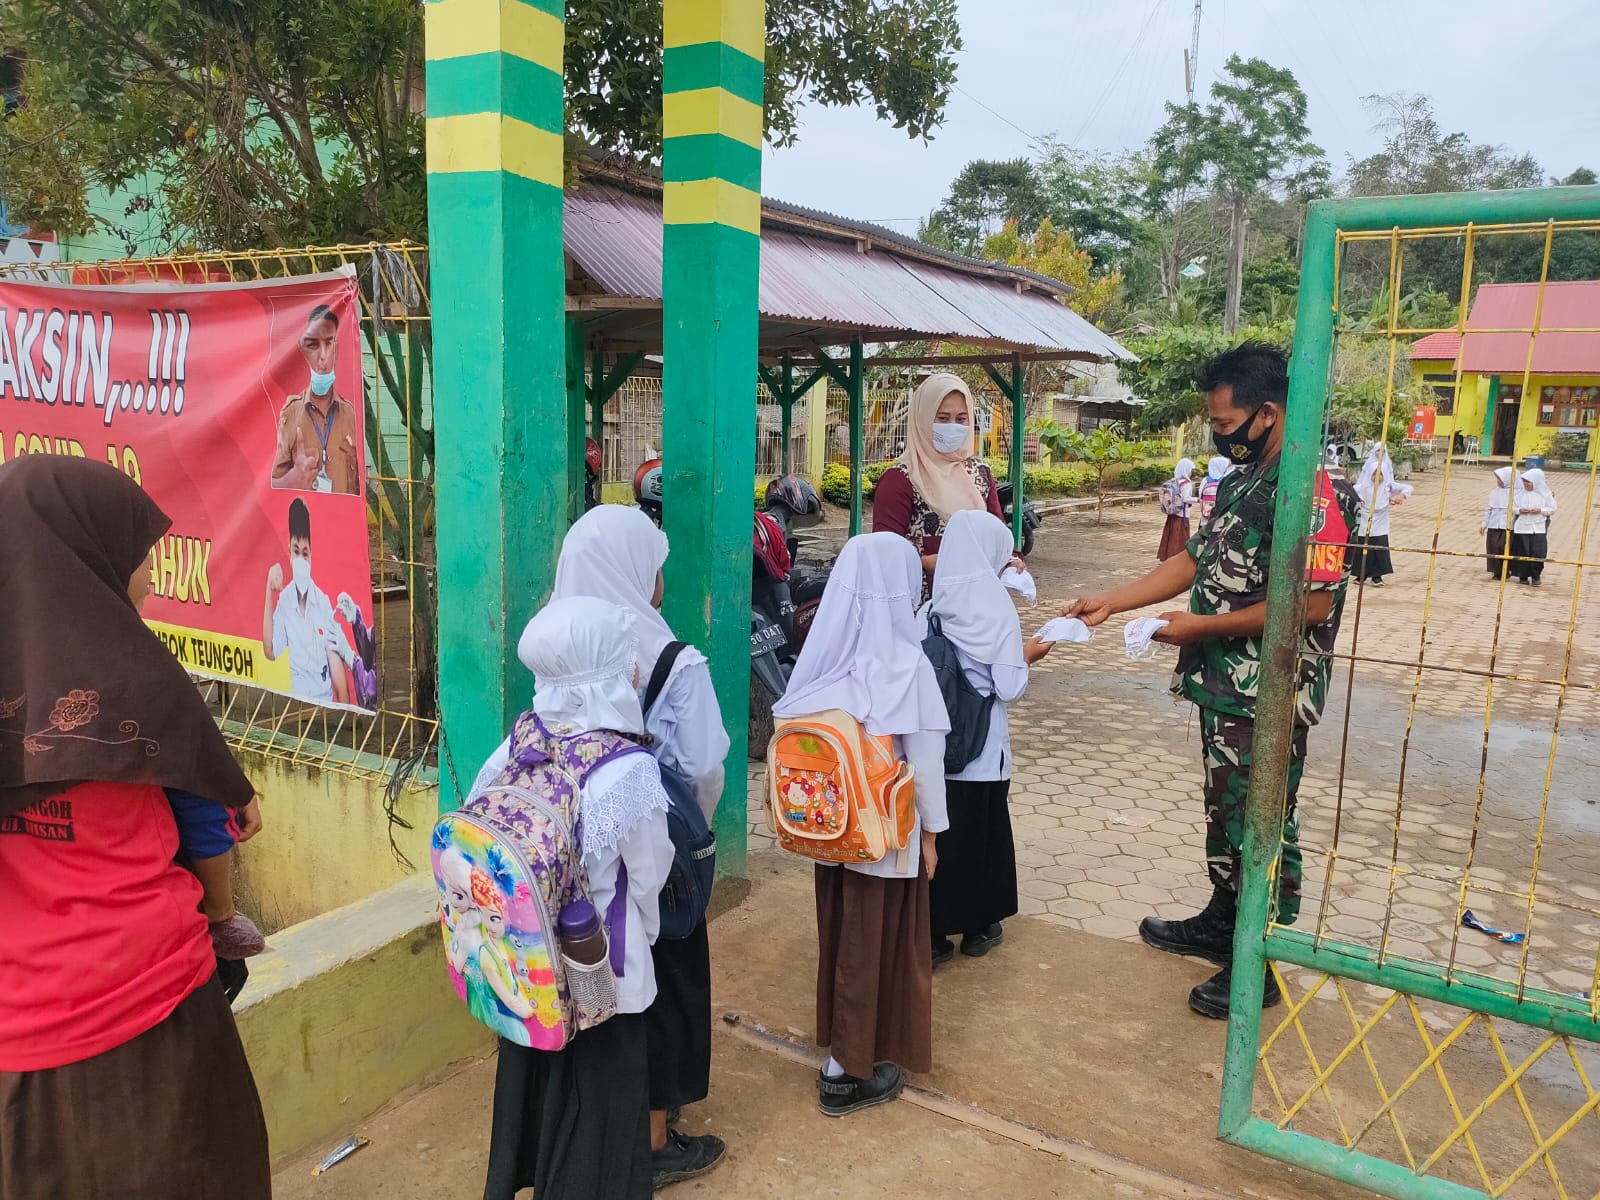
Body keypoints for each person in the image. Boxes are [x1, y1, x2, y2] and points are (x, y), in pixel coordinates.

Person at [1061, 342, 1359, 1020]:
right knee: (1226, 813)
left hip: (1273, 693)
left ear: (1268, 413)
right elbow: (1196, 559)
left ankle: (1262, 959)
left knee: (1261, 822)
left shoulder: (1310, 489)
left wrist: (1195, 630)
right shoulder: (1242, 482)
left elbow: (1312, 604)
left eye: (1226, 424)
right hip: (1226, 691)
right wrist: (1114, 599)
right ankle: (1223, 924)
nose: (1218, 435)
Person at [0, 455, 269, 1200]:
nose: (151, 568)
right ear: (88, 554)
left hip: (18, 1048)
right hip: (156, 1027)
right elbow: (211, 827)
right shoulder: (137, 686)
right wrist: (220, 917)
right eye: (140, 548)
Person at [547, 504, 730, 1188]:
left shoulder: (556, 647)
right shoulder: (676, 662)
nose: (661, 575)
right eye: (654, 562)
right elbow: (704, 768)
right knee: (662, 982)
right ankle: (654, 1138)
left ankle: (593, 1126)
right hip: (652, 854)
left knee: (592, 988)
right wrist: (690, 837)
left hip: (572, 866)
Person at [475, 598, 675, 1200]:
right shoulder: (626, 770)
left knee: (536, 1082)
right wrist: (649, 933)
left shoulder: (519, 743)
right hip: (603, 972)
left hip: (528, 965)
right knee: (602, 1109)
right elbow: (649, 876)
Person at [773, 533, 950, 1115]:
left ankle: (845, 1047)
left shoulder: (823, 666)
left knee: (844, 934)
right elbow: (925, 764)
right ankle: (847, 1070)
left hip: (831, 836)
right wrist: (931, 834)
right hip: (886, 840)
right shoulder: (906, 666)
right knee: (876, 944)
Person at [922, 510, 1055, 966]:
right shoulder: (997, 611)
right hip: (983, 753)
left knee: (939, 836)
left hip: (938, 749)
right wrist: (1033, 651)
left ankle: (933, 935)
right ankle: (980, 928)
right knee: (983, 839)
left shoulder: (932, 607)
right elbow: (1009, 687)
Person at [873, 372, 1008, 595]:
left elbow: (997, 533)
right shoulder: (900, 479)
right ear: (923, 419)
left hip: (975, 603)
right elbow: (884, 552)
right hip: (920, 608)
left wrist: (1012, 561)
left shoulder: (980, 473)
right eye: (943, 419)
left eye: (961, 419)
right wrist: (925, 562)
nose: (953, 427)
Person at [263, 496, 357, 704]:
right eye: (296, 552)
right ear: (289, 553)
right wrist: (269, 591)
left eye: (305, 553)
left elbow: (337, 670)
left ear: (311, 556)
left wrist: (346, 714)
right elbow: (269, 651)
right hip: (298, 708)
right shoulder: (285, 602)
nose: (301, 559)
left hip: (324, 709)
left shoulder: (322, 604)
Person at [271, 303, 360, 494]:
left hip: (342, 520)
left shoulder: (350, 413)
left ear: (337, 349)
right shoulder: (291, 412)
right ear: (303, 352)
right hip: (306, 519)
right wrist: (292, 479)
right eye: (313, 345)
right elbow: (271, 485)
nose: (323, 356)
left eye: (329, 343)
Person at [1351, 444, 1411, 587]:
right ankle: (1361, 574)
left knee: (1379, 545)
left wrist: (1401, 496)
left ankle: (1377, 576)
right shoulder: (1362, 487)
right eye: (1374, 474)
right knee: (1362, 545)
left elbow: (1408, 488)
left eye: (1381, 474)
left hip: (1380, 521)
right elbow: (1351, 492)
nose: (1377, 477)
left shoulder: (1388, 486)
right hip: (1365, 519)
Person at [1511, 467, 1557, 586]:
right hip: (1522, 527)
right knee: (1522, 551)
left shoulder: (1545, 494)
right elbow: (1513, 507)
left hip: (1538, 528)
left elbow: (1552, 509)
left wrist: (1540, 510)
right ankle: (1523, 575)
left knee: (1538, 552)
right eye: (1524, 482)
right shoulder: (1520, 494)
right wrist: (1520, 510)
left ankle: (1536, 575)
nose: (1526, 484)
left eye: (1528, 482)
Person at [1157, 458, 1198, 561]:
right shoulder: (1186, 483)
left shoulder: (1174, 480)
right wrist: (1198, 499)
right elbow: (1186, 499)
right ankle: (1178, 559)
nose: (1191, 473)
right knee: (1180, 537)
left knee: (1170, 535)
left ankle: (1166, 555)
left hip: (1172, 513)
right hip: (1182, 514)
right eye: (1190, 470)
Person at [1480, 466, 1514, 577]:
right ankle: (1496, 572)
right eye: (1498, 479)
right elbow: (1489, 508)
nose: (1498, 482)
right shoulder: (1494, 492)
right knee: (1493, 547)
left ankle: (1505, 571)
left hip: (1507, 526)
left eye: (1501, 479)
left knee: (1504, 548)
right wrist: (1484, 524)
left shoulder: (1515, 494)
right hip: (1494, 525)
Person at [1198, 456, 1231, 522]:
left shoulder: (1205, 480)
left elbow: (1200, 498)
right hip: (1220, 519)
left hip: (1206, 518)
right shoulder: (1226, 480)